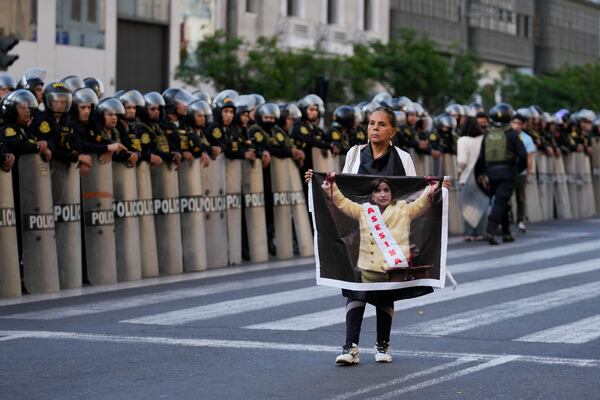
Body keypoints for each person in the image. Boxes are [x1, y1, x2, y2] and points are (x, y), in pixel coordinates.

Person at [305, 106, 449, 366]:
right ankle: (350, 347)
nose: (374, 128)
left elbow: (413, 192)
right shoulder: (354, 153)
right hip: (362, 232)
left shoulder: (403, 157)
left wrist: (437, 188)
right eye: (371, 123)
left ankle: (383, 344)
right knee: (356, 289)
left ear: (392, 130)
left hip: (391, 235)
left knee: (385, 291)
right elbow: (343, 185)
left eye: (381, 124)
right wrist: (319, 181)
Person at [475, 103, 527, 245]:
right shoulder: (512, 133)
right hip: (507, 172)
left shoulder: (488, 134)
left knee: (502, 202)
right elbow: (522, 154)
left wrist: (481, 174)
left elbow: (481, 157)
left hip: (491, 173)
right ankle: (490, 230)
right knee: (501, 201)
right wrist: (519, 169)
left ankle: (506, 233)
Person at [457, 116, 486, 241]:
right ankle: (480, 232)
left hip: (466, 176)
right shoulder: (483, 139)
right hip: (481, 177)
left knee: (467, 205)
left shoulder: (462, 140)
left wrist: (459, 171)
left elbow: (462, 161)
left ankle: (469, 232)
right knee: (481, 204)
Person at [512, 109, 537, 233]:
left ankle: (520, 219)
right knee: (505, 197)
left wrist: (528, 170)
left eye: (519, 123)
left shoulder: (527, 139)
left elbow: (529, 156)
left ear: (523, 125)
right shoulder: (508, 135)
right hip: (508, 171)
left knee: (520, 197)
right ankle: (507, 219)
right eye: (514, 123)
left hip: (520, 172)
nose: (516, 125)